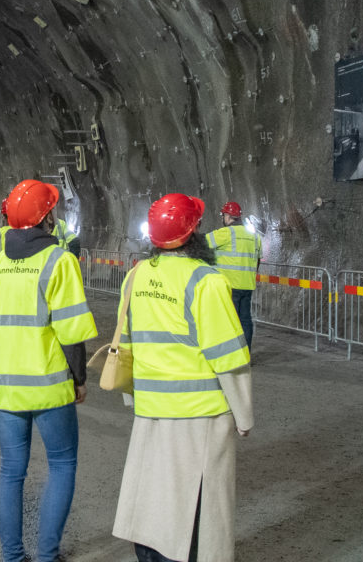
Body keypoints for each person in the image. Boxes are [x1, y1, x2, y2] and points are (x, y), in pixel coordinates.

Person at [112, 193, 253, 562]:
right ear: (195, 233)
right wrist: (244, 415)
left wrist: (133, 397)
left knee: (154, 503)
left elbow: (126, 342)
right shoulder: (206, 281)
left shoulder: (136, 276)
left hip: (152, 408)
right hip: (201, 416)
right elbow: (228, 357)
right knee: (196, 514)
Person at [0, 179, 98, 562]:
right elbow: (72, 330)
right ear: (48, 217)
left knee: (11, 471)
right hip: (49, 384)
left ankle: (13, 557)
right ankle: (47, 555)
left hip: (6, 387)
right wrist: (78, 379)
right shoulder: (58, 260)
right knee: (62, 465)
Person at [205, 201, 262, 350]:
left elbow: (201, 244)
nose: (223, 218)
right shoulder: (254, 236)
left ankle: (230, 355)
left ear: (229, 216)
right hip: (247, 285)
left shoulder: (225, 233)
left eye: (224, 215)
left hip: (229, 285)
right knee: (245, 320)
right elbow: (257, 261)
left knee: (228, 322)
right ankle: (245, 354)